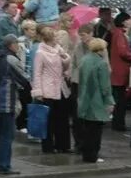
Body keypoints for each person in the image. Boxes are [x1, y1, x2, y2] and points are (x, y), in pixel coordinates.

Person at [0, 34, 26, 175]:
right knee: (7, 135)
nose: (18, 46)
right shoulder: (11, 59)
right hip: (6, 100)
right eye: (17, 44)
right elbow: (24, 79)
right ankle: (4, 165)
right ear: (11, 45)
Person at [31, 26, 72, 154]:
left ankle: (63, 145)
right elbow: (37, 73)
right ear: (49, 39)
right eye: (55, 37)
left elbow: (64, 67)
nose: (57, 39)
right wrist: (38, 92)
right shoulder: (40, 53)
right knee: (48, 120)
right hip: (47, 89)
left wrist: (65, 58)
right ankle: (48, 146)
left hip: (60, 87)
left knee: (62, 118)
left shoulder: (58, 50)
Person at [76, 37, 113, 163]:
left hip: (84, 98)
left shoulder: (84, 60)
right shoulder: (101, 63)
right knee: (96, 131)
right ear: (101, 49)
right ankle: (93, 155)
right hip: (97, 100)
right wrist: (109, 101)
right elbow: (105, 86)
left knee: (86, 129)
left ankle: (86, 154)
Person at [68, 23, 95, 150]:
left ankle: (88, 143)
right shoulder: (78, 46)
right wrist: (71, 76)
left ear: (91, 34)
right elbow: (73, 63)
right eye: (80, 35)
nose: (81, 38)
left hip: (90, 83)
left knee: (89, 114)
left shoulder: (97, 46)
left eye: (83, 35)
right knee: (77, 114)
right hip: (77, 83)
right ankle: (78, 142)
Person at [108, 12, 131, 132]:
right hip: (120, 71)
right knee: (120, 100)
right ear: (124, 21)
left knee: (120, 99)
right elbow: (122, 51)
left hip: (119, 70)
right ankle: (119, 123)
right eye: (129, 20)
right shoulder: (119, 34)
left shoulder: (119, 33)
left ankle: (118, 122)